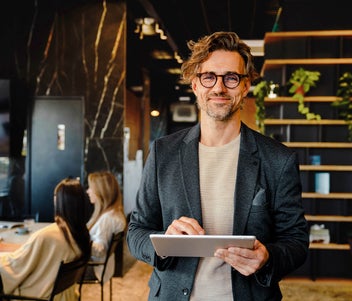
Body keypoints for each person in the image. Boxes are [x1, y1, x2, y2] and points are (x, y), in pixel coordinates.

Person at [126, 31, 309, 301]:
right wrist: (163, 242)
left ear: (246, 86)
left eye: (231, 78)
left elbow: (296, 240)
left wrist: (267, 258)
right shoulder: (164, 152)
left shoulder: (278, 160)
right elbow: (136, 230)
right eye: (208, 76)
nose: (219, 88)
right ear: (195, 84)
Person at [0, 178, 91, 300]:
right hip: (63, 295)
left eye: (55, 195)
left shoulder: (47, 236)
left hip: (38, 296)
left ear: (59, 201)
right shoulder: (81, 233)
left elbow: (16, 266)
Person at [84, 171, 126, 283]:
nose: (88, 191)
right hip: (104, 266)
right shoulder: (113, 213)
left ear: (101, 191)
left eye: (90, 188)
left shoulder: (107, 219)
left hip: (96, 268)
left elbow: (99, 250)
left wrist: (80, 240)